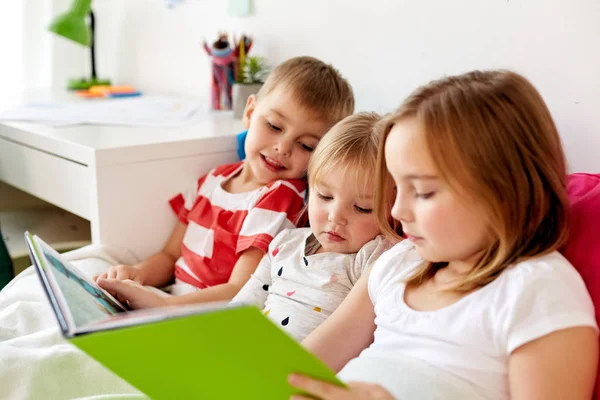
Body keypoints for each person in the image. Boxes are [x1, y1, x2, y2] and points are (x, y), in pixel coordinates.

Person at [288, 70, 598, 399]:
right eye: (397, 187)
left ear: (501, 192)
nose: (396, 211)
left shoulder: (535, 292)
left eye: (422, 192)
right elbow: (295, 372)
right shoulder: (397, 266)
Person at [94, 56, 355, 309]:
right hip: (173, 301)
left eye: (306, 145)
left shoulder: (281, 197)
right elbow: (170, 257)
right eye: (275, 126)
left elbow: (240, 290)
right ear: (250, 112)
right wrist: (136, 274)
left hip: (210, 314)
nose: (282, 148)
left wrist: (164, 305)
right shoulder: (213, 179)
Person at [231, 113, 394, 342]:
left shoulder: (373, 258)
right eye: (325, 196)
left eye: (362, 208)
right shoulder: (284, 243)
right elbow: (242, 306)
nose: (335, 217)